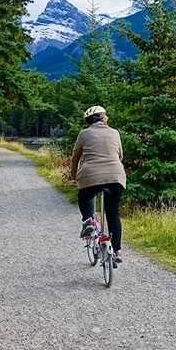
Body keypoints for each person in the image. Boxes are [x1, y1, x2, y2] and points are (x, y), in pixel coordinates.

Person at [70, 106, 126, 263]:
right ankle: (117, 252)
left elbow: (75, 157)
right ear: (104, 118)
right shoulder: (115, 132)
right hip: (116, 176)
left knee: (84, 196)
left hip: (90, 176)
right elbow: (119, 155)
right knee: (113, 214)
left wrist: (73, 175)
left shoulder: (84, 133)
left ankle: (88, 221)